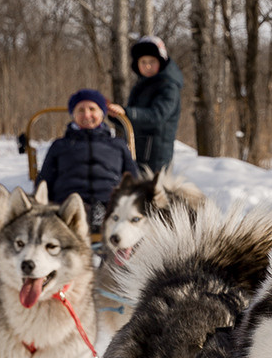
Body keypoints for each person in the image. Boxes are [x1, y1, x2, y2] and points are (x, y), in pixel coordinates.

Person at [37, 89, 138, 233]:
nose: (87, 115)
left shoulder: (117, 144)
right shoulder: (60, 145)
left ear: (102, 113)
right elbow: (45, 179)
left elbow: (133, 177)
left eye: (92, 109)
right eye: (80, 110)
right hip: (69, 200)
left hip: (109, 200)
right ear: (73, 114)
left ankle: (100, 220)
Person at [108, 35, 183, 172]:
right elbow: (135, 120)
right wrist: (117, 115)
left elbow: (156, 116)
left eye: (152, 61)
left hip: (155, 155)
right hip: (137, 150)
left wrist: (127, 112)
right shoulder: (141, 86)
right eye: (143, 62)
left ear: (161, 62)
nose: (147, 66)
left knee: (151, 191)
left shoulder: (168, 87)